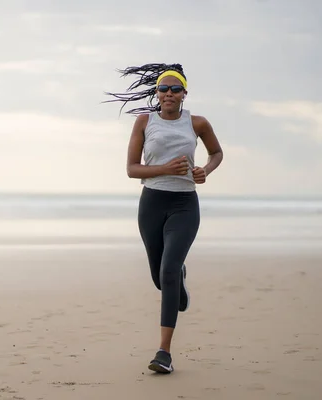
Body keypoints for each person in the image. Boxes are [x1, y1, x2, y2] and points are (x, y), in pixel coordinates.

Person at [104, 63, 223, 373]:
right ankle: (178, 278)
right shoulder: (145, 122)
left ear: (184, 93)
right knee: (161, 279)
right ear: (156, 93)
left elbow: (216, 154)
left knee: (167, 270)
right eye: (163, 89)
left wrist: (204, 171)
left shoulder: (197, 123)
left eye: (175, 89)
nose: (169, 94)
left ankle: (164, 353)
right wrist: (164, 169)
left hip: (185, 205)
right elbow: (132, 169)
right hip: (152, 204)